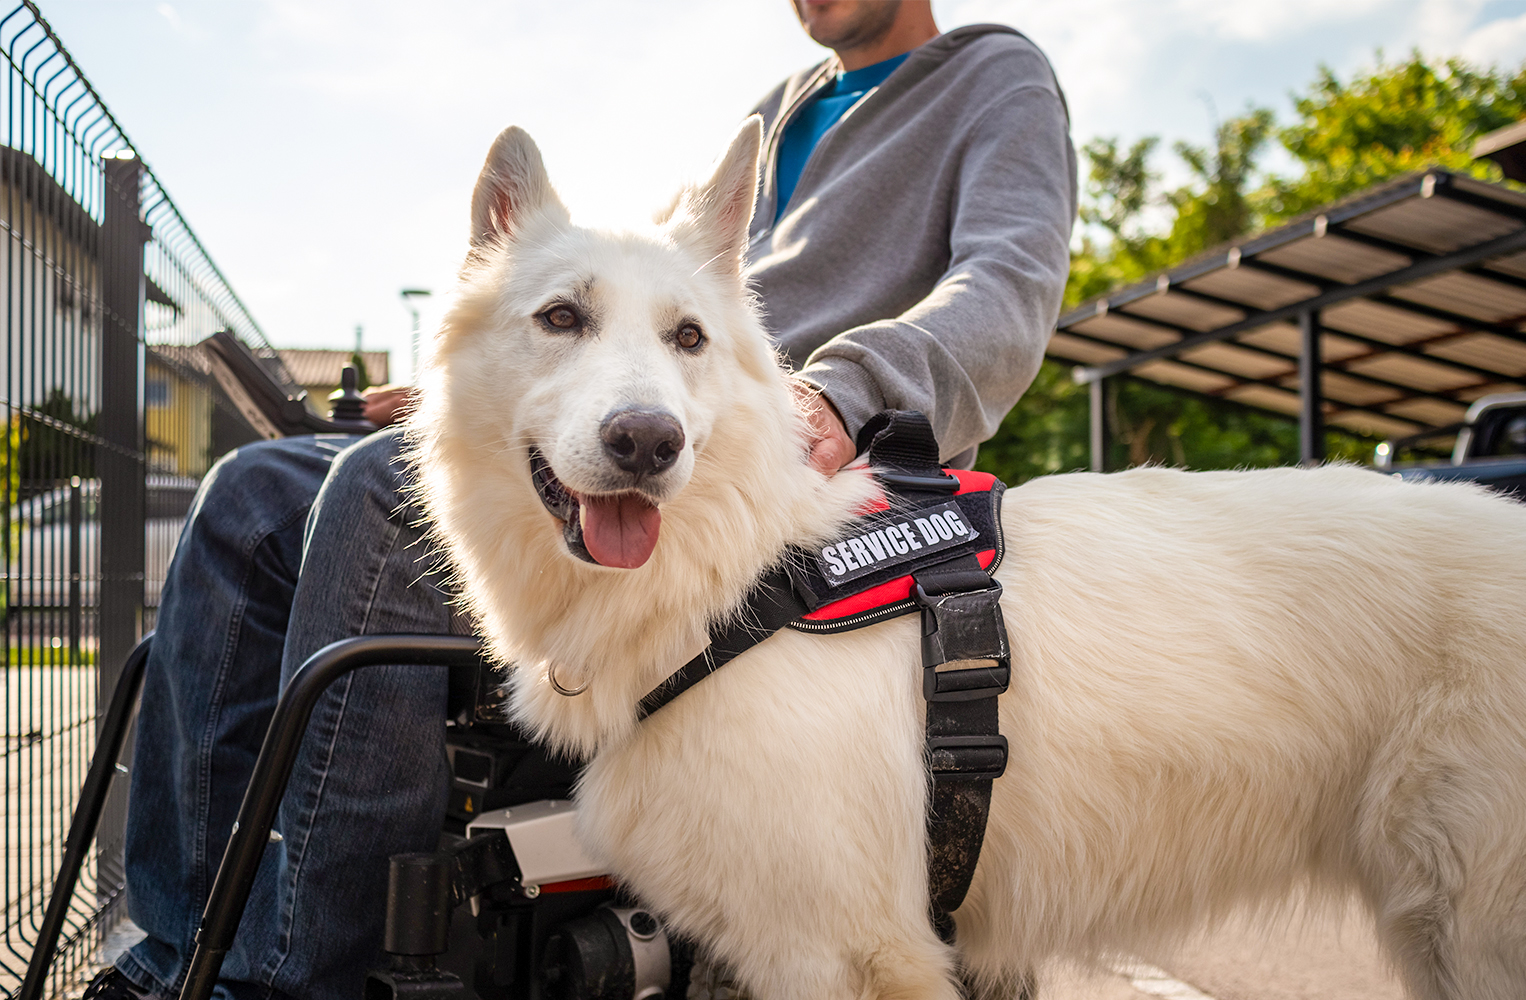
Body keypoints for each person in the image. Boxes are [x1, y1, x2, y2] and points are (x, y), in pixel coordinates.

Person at [92, 3, 1074, 997]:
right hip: (665, 403)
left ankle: (304, 975)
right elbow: (635, 311)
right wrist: (487, 382)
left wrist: (843, 388)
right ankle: (175, 955)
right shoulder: (779, 115)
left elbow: (1008, 287)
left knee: (378, 494)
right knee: (250, 494)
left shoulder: (993, 76)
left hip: (799, 458)